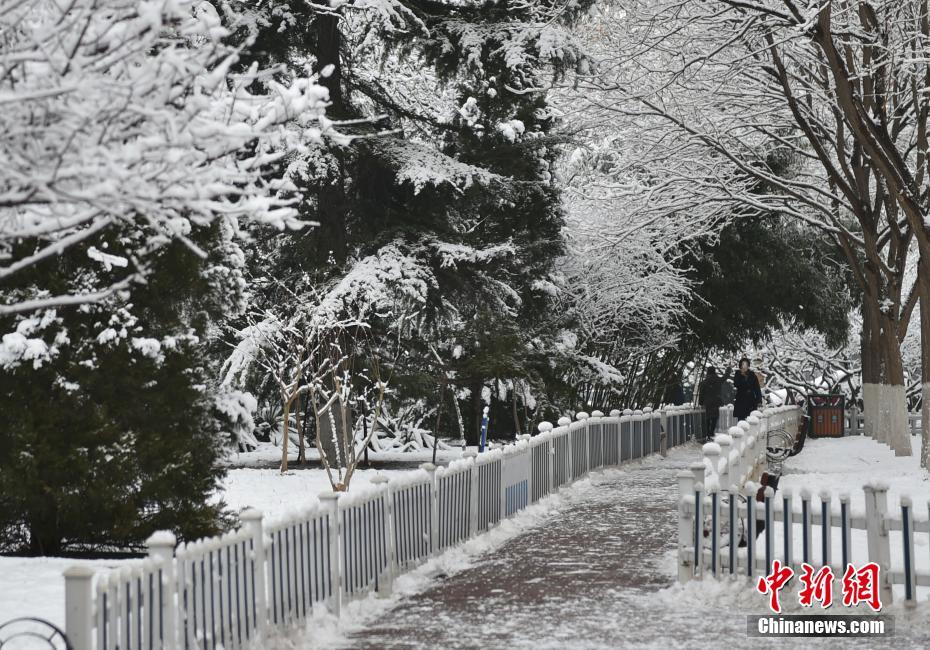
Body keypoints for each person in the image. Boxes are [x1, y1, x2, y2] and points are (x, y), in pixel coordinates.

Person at [733, 356, 762, 421]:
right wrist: (742, 376)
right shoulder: (738, 374)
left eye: (746, 364)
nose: (744, 366)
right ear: (740, 365)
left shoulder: (752, 375)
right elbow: (736, 384)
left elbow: (757, 388)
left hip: (750, 401)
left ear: (748, 365)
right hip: (741, 400)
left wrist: (759, 400)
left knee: (751, 420)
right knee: (741, 420)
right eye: (743, 364)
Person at [698, 367, 724, 440]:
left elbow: (701, 393)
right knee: (715, 417)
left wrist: (701, 402)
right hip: (716, 401)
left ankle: (708, 433)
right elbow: (725, 377)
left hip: (708, 402)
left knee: (708, 418)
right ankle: (712, 431)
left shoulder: (704, 382)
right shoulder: (718, 380)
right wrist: (728, 369)